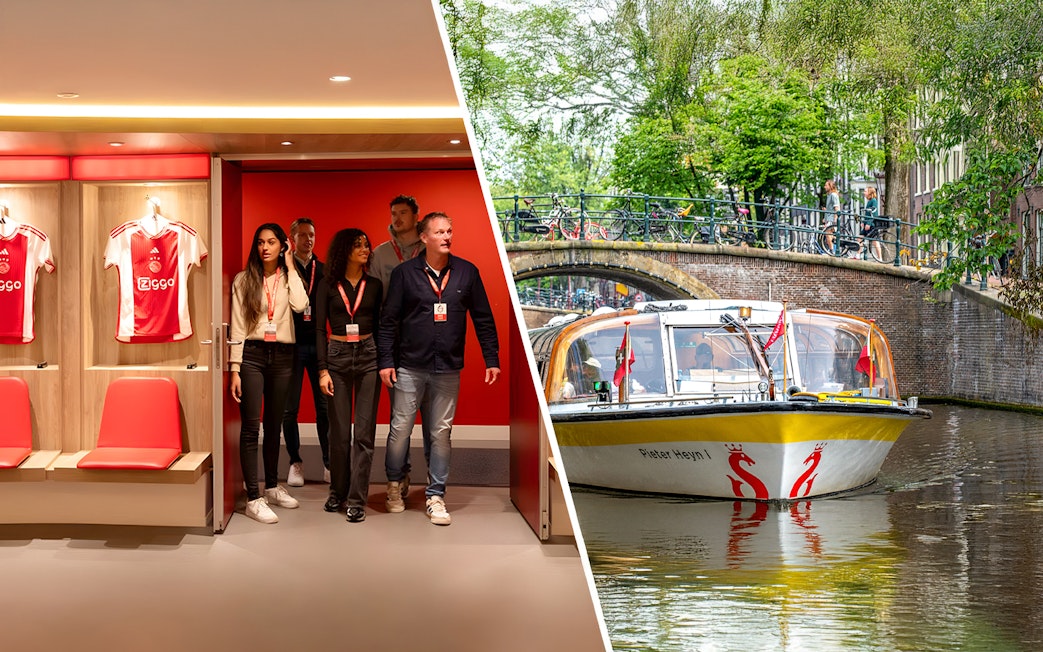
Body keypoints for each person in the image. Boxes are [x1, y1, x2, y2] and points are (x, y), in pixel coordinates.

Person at [378, 211, 500, 526]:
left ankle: (435, 495)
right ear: (424, 237)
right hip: (409, 366)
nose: (447, 237)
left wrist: (492, 358)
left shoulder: (467, 273)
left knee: (441, 433)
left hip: (447, 368)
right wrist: (386, 362)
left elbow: (483, 318)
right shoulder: (405, 274)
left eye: (449, 231)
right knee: (400, 430)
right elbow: (389, 321)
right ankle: (395, 484)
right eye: (440, 232)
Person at [230, 223, 309, 524]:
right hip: (252, 354)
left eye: (272, 242)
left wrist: (290, 265)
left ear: (282, 246)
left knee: (275, 423)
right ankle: (253, 497)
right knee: (252, 427)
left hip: (284, 355)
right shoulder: (243, 280)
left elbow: (301, 305)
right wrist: (235, 368)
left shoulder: (288, 277)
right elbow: (237, 326)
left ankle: (273, 486)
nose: (265, 247)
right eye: (261, 242)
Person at [315, 228, 383, 523]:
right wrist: (322, 370)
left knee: (364, 435)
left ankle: (357, 499)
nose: (365, 249)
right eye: (358, 245)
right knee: (339, 434)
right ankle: (337, 492)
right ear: (345, 250)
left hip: (369, 356)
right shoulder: (327, 285)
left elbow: (381, 326)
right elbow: (319, 329)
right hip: (338, 357)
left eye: (366, 245)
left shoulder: (375, 285)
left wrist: (384, 362)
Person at [369, 194, 426, 499]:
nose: (397, 218)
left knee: (431, 419)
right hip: (393, 344)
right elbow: (374, 301)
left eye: (403, 213)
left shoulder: (429, 251)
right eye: (393, 213)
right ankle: (400, 474)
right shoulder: (380, 255)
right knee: (399, 416)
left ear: (417, 217)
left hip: (427, 343)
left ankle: (433, 484)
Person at [281, 217, 329, 487]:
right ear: (292, 239)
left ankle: (329, 462)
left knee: (324, 407)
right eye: (301, 235)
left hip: (319, 344)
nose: (307, 239)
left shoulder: (323, 271)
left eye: (311, 234)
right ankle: (295, 462)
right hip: (292, 345)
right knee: (291, 409)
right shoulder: (283, 270)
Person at [859, 187, 882, 260]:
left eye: (865, 191)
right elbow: (867, 214)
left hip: (871, 225)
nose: (864, 192)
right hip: (867, 224)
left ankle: (880, 258)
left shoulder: (874, 201)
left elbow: (873, 213)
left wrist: (868, 223)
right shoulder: (869, 201)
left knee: (875, 242)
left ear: (870, 192)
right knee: (860, 238)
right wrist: (863, 222)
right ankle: (858, 254)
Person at [822, 180, 841, 253]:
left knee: (827, 234)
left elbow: (836, 208)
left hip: (832, 218)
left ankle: (831, 251)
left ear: (830, 186)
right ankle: (833, 249)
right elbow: (831, 208)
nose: (824, 187)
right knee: (830, 235)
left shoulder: (833, 195)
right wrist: (825, 217)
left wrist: (835, 219)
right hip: (829, 218)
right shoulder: (829, 195)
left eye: (826, 185)